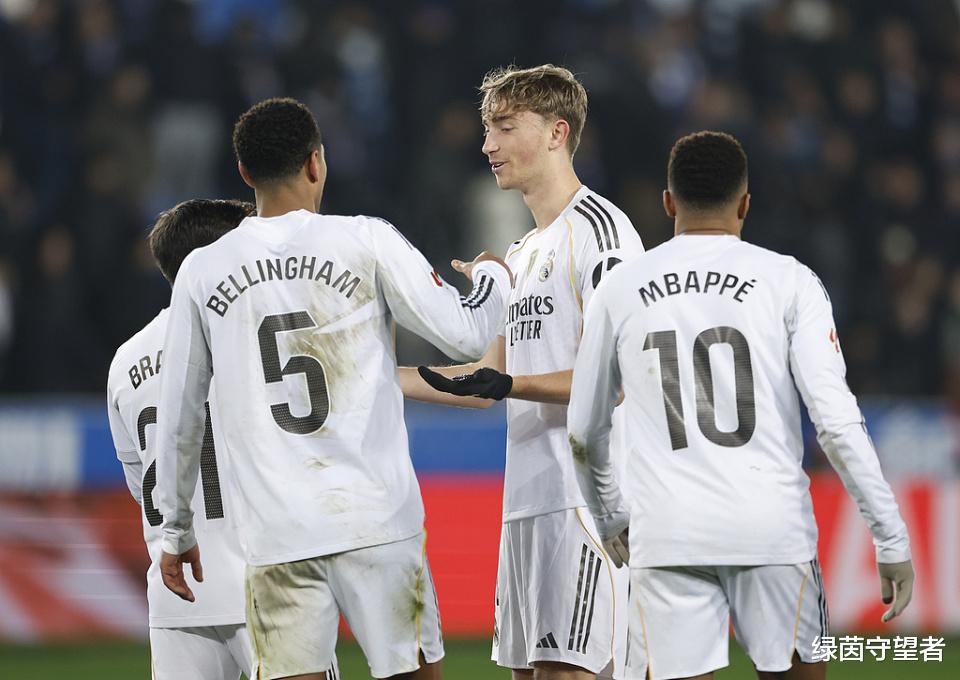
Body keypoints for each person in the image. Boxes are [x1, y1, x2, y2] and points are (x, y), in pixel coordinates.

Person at [153, 97, 512, 680]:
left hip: (277, 534)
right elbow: (466, 334)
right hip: (377, 519)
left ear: (244, 173)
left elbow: (180, 415)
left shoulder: (202, 270)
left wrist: (176, 529)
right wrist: (494, 278)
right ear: (316, 162)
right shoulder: (365, 239)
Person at [568, 131, 914, 680]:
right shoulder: (790, 281)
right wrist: (889, 535)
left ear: (668, 203)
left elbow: (585, 430)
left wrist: (609, 517)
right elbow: (835, 423)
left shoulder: (621, 288)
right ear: (745, 204)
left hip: (667, 532)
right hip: (772, 530)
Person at [405, 64, 643, 680]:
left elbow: (614, 381)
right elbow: (486, 381)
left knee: (568, 672)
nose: (488, 144)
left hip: (585, 501)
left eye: (506, 127)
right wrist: (376, 376)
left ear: (558, 133)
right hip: (527, 503)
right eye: (488, 130)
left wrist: (511, 385)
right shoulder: (523, 251)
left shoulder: (603, 233)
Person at [106, 199, 261, 680]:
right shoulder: (253, 337)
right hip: (264, 581)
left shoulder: (125, 362)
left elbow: (144, 487)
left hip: (176, 593)